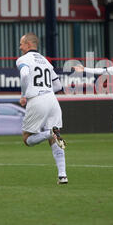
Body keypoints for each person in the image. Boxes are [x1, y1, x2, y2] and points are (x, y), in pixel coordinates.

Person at [16, 33, 68, 185]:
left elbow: (25, 75)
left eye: (21, 44)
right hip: (52, 100)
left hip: (37, 100)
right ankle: (62, 175)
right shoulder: (45, 61)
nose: (20, 47)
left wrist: (23, 95)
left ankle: (47, 133)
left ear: (28, 44)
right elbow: (58, 86)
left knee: (27, 139)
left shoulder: (23, 59)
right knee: (55, 138)